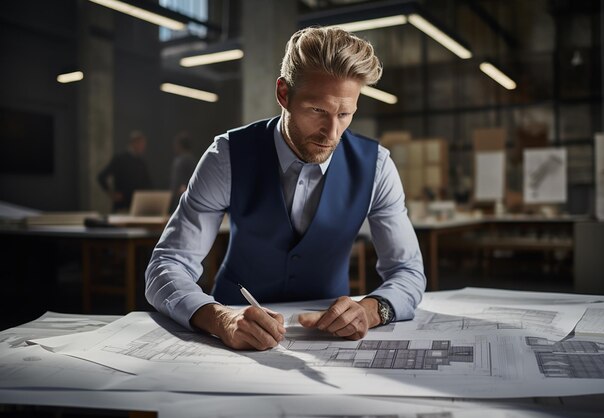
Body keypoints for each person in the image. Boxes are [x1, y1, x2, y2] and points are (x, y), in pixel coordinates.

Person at [145, 27, 426, 351]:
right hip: (230, 334)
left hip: (331, 340)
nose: (331, 132)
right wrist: (219, 319)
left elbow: (408, 272)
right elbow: (167, 264)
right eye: (317, 110)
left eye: (345, 114)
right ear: (283, 94)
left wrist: (371, 310)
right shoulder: (227, 157)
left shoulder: (376, 167)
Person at [98, 130, 152, 212]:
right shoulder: (120, 159)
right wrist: (112, 194)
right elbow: (101, 177)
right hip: (122, 206)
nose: (143, 146)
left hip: (138, 206)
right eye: (141, 143)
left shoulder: (141, 162)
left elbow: (147, 183)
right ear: (134, 143)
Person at [169, 132, 197, 213]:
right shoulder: (192, 160)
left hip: (180, 200)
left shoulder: (180, 161)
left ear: (179, 145)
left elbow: (176, 183)